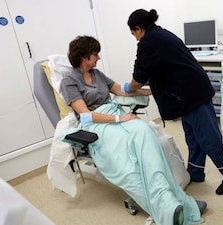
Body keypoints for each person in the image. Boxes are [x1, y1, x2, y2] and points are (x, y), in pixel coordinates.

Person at [60, 35, 205, 225]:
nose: (99, 58)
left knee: (144, 132)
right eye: (95, 55)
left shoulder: (97, 74)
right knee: (129, 165)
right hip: (96, 125)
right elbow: (86, 115)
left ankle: (178, 200)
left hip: (116, 115)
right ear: (83, 57)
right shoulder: (69, 81)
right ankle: (168, 208)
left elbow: (121, 90)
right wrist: (121, 118)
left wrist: (154, 89)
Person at [123, 9, 223, 195]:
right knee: (193, 138)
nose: (136, 39)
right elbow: (159, 67)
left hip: (192, 94)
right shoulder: (161, 34)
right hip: (189, 93)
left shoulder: (148, 41)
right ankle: (196, 173)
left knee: (209, 138)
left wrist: (129, 88)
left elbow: (139, 76)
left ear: (139, 29)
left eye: (134, 34)